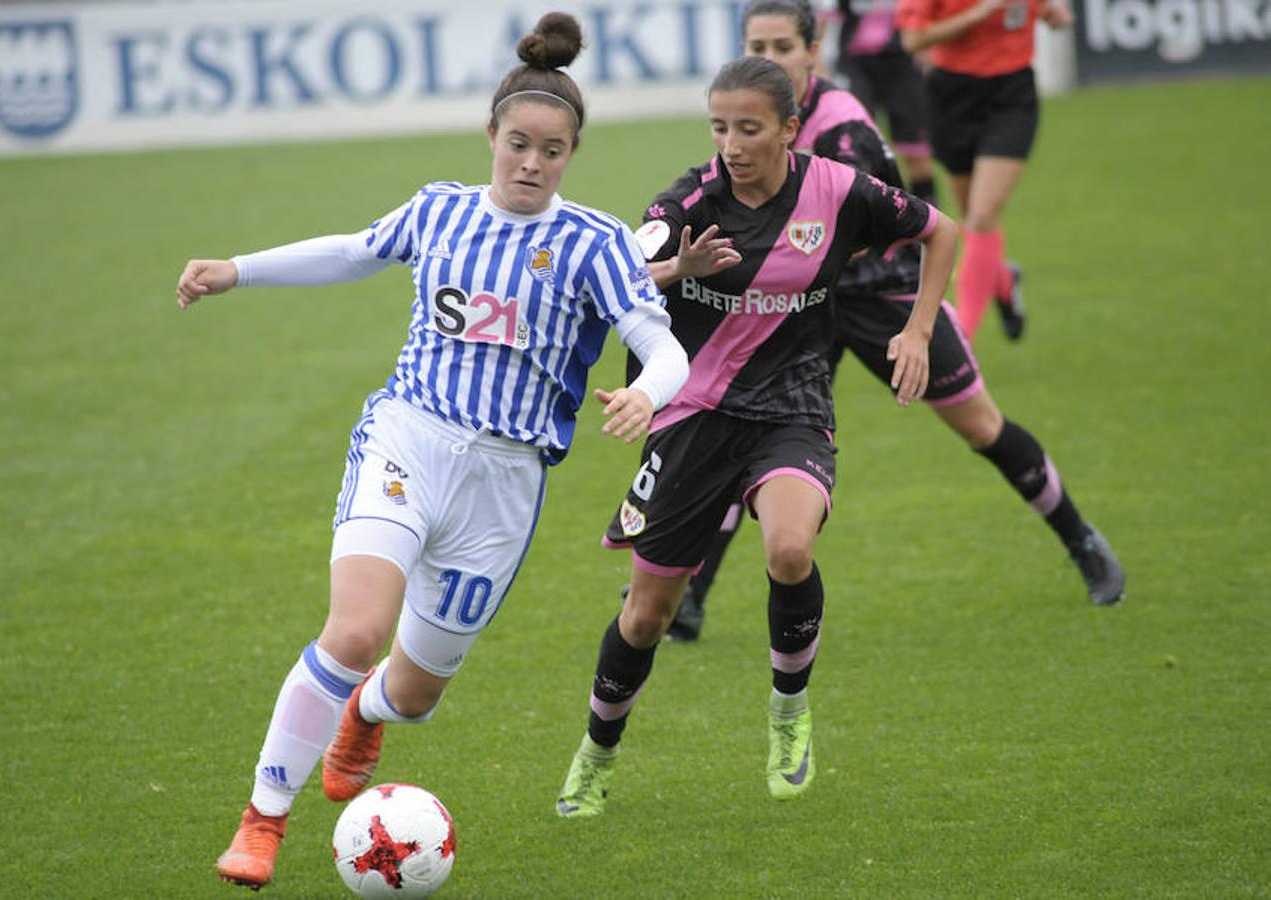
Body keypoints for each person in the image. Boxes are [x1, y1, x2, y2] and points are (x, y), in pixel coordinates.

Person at [175, 13, 690, 889]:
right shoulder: (440, 210)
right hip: (410, 438)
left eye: (553, 150)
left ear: (572, 153)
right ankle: (262, 819)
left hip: (505, 485)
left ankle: (367, 714)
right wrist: (238, 268)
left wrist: (648, 388)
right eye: (519, 143)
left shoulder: (594, 243)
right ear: (491, 135)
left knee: (412, 693)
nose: (532, 163)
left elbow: (665, 343)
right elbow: (352, 251)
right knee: (354, 630)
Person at [554, 54, 960, 817]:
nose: (731, 144)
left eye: (749, 128)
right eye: (719, 127)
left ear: (790, 129)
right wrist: (679, 266)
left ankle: (788, 715)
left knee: (789, 548)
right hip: (693, 417)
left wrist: (918, 329)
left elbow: (940, 230)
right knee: (646, 616)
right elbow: (618, 276)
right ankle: (596, 753)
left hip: (791, 409)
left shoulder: (838, 190)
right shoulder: (690, 198)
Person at [665, 0, 1123, 642]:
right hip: (801, 306)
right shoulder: (749, 121)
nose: (768, 60)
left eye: (781, 48)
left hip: (880, 296)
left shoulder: (843, 129)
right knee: (747, 430)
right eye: (755, 48)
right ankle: (690, 595)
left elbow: (844, 236)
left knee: (981, 424)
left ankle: (1082, 539)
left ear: (813, 49)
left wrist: (912, 325)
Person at [896, 0, 1075, 341]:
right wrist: (980, 12)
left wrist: (1058, 13)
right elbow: (913, 40)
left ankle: (963, 338)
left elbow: (1057, 15)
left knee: (981, 215)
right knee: (975, 221)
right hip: (952, 96)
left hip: (1012, 94)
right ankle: (1004, 280)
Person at [820, 0, 941, 207]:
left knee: (917, 153)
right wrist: (823, 69)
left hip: (903, 64)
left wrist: (930, 50)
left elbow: (932, 17)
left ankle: (928, 224)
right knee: (858, 149)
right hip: (855, 65)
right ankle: (871, 222)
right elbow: (823, 26)